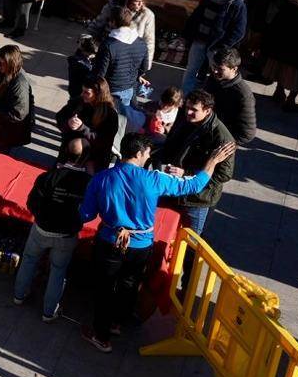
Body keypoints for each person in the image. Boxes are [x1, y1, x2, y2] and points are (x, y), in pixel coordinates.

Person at [79, 134, 233, 351]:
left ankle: (101, 336)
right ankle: (117, 323)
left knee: (105, 288)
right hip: (141, 245)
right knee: (130, 283)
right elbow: (193, 185)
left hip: (109, 242)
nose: (149, 156)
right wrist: (211, 163)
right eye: (148, 153)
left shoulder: (101, 178)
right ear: (139, 153)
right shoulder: (154, 179)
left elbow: (86, 215)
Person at [12, 138, 92, 321]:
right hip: (67, 235)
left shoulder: (48, 176)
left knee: (30, 260)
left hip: (41, 229)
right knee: (58, 270)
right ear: (86, 157)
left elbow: (31, 203)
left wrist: (42, 217)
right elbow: (91, 212)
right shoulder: (89, 183)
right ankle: (49, 311)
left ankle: (18, 295)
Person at [153, 90, 236, 236]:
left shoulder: (222, 138)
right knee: (161, 230)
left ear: (207, 110)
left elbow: (224, 175)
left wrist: (187, 174)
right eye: (187, 107)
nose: (188, 112)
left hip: (196, 200)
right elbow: (170, 145)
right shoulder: (185, 119)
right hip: (171, 187)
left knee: (190, 239)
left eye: (194, 110)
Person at [181, 0, 247, 94]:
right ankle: (185, 98)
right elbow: (197, 14)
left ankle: (209, 100)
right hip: (199, 41)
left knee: (217, 75)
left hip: (216, 48)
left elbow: (239, 32)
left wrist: (221, 47)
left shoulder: (237, 4)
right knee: (191, 70)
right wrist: (188, 33)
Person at [57, 77, 124, 170]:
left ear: (98, 94)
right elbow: (60, 116)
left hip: (97, 154)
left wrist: (82, 128)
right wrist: (68, 122)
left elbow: (105, 140)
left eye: (87, 92)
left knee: (88, 176)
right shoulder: (77, 102)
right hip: (71, 152)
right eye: (82, 91)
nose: (82, 94)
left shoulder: (109, 114)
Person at [93, 6, 149, 114]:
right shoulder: (141, 43)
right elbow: (144, 67)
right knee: (121, 120)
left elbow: (100, 73)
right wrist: (134, 77)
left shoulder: (108, 45)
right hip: (129, 88)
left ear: (112, 22)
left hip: (110, 90)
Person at [0, 44, 34, 155]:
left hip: (6, 133)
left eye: (1, 62)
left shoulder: (20, 83)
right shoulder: (6, 73)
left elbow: (19, 114)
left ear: (10, 63)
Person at [202, 47, 257, 144]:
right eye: (214, 66)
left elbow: (247, 133)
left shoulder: (243, 95)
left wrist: (225, 143)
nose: (214, 71)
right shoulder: (214, 78)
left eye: (220, 69)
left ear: (234, 69)